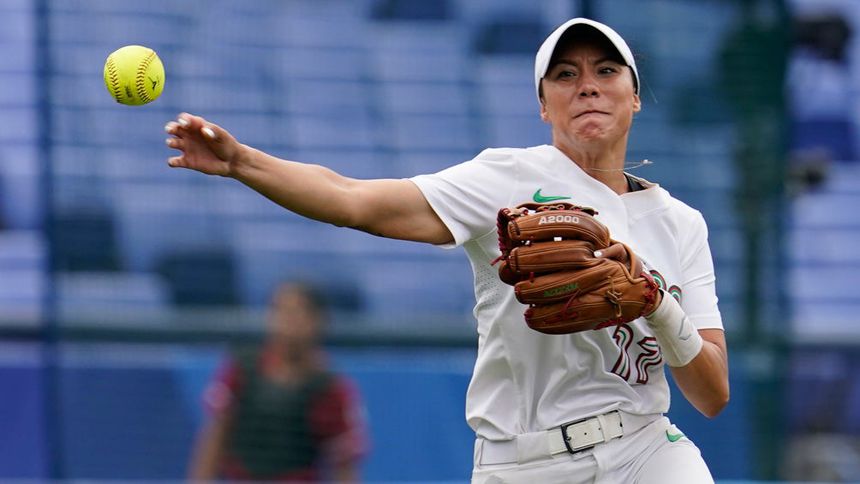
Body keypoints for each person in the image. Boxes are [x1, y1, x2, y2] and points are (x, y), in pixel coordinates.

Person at [167, 17, 729, 483]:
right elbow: (353, 200)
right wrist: (243, 162)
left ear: (635, 96)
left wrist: (657, 303)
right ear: (543, 106)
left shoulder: (681, 224)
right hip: (524, 463)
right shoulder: (508, 178)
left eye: (606, 70)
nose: (587, 85)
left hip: (645, 451)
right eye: (564, 74)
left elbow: (712, 394)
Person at [187, 281, 368, 482]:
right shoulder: (242, 368)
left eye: (295, 313)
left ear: (318, 321)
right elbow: (214, 437)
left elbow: (344, 466)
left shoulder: (332, 389)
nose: (285, 323)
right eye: (278, 311)